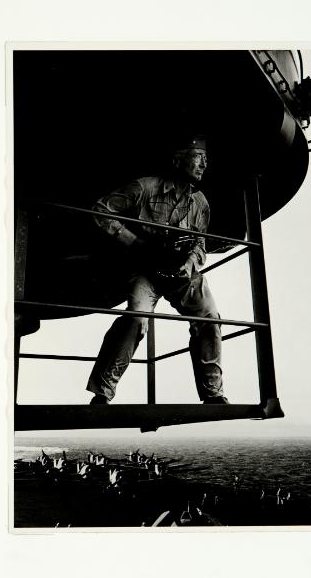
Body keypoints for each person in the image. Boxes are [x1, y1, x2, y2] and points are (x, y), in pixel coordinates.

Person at [86, 135, 228, 405]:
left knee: (209, 317)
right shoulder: (144, 187)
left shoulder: (200, 203)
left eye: (206, 159)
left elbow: (200, 243)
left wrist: (190, 265)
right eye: (198, 157)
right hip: (145, 271)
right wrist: (136, 243)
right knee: (136, 320)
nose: (204, 164)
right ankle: (102, 392)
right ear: (177, 159)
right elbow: (101, 210)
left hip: (181, 273)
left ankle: (213, 393)